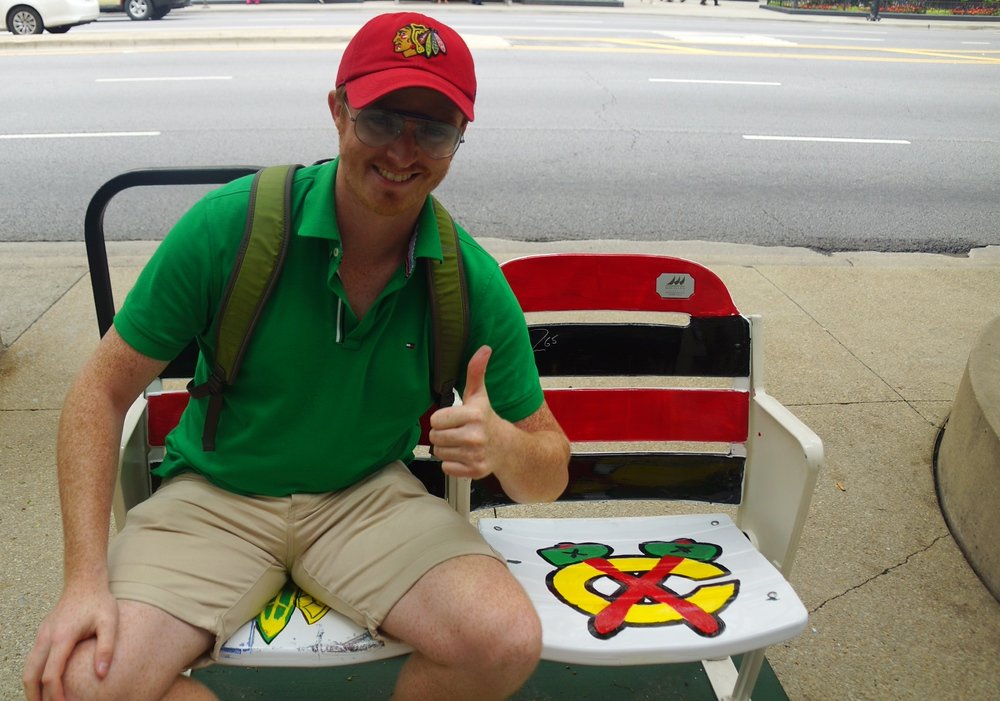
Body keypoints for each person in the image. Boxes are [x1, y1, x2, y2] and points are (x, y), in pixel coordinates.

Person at [23, 12, 570, 701]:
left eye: (432, 128)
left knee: (502, 640)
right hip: (216, 496)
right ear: (339, 111)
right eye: (380, 118)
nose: (404, 150)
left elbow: (548, 468)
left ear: (459, 141)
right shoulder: (231, 227)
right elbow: (97, 394)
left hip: (366, 496)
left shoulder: (466, 276)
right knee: (73, 685)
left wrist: (503, 447)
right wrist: (83, 579)